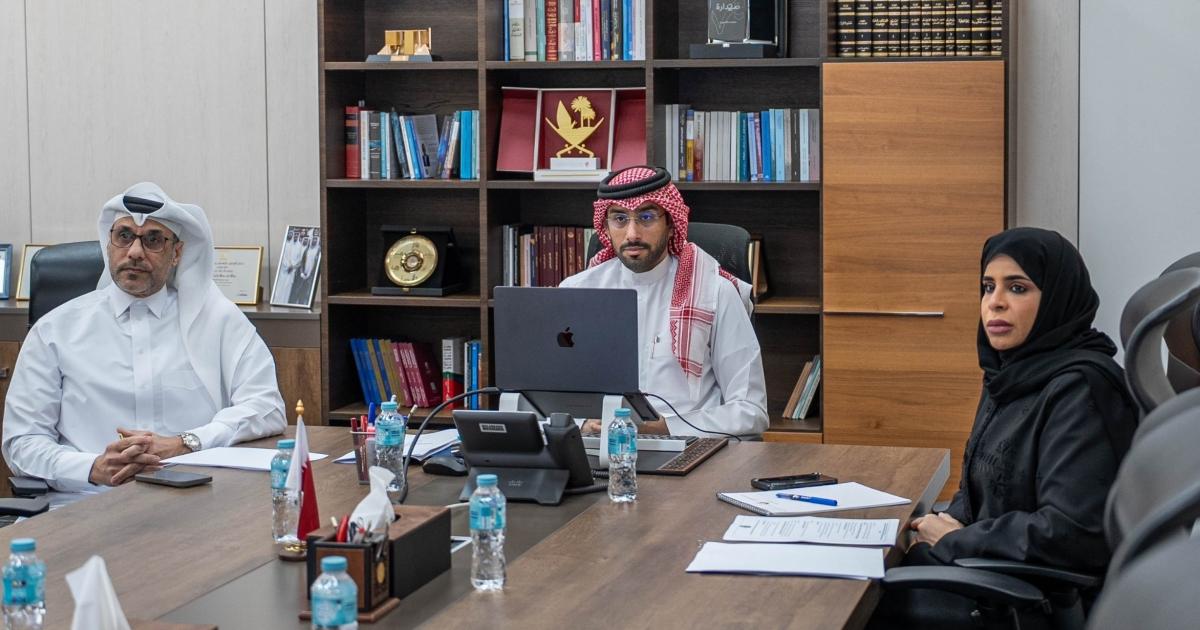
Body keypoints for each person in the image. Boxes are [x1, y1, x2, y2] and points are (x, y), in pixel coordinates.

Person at [871, 227, 1138, 628]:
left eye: (1017, 288)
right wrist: (946, 523)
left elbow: (1070, 531)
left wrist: (955, 539)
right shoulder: (1008, 373)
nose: (995, 302)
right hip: (991, 569)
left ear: (1057, 297)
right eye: (987, 286)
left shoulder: (1079, 389)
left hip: (1030, 601)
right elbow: (981, 485)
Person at [2, 182, 287, 506]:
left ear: (176, 253)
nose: (135, 251)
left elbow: (267, 407)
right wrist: (92, 468)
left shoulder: (218, 321)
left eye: (153, 239)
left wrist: (185, 443)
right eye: (124, 236)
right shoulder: (54, 330)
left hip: (196, 505)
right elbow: (22, 442)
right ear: (108, 243)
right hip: (84, 504)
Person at [560, 165, 768, 438]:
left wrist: (666, 428)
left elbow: (751, 412)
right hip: (602, 448)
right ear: (606, 227)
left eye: (646, 217)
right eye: (620, 219)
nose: (632, 234)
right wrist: (582, 424)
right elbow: (546, 399)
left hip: (691, 447)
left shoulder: (715, 292)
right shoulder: (576, 291)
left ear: (670, 224)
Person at [273, 228, 301, 304]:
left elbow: (299, 260)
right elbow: (283, 258)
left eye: (293, 234)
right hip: (283, 270)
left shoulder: (298, 246)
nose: (292, 235)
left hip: (291, 271)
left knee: (287, 288)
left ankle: (284, 302)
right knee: (280, 287)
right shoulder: (285, 244)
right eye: (290, 234)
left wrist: (293, 267)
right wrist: (288, 266)